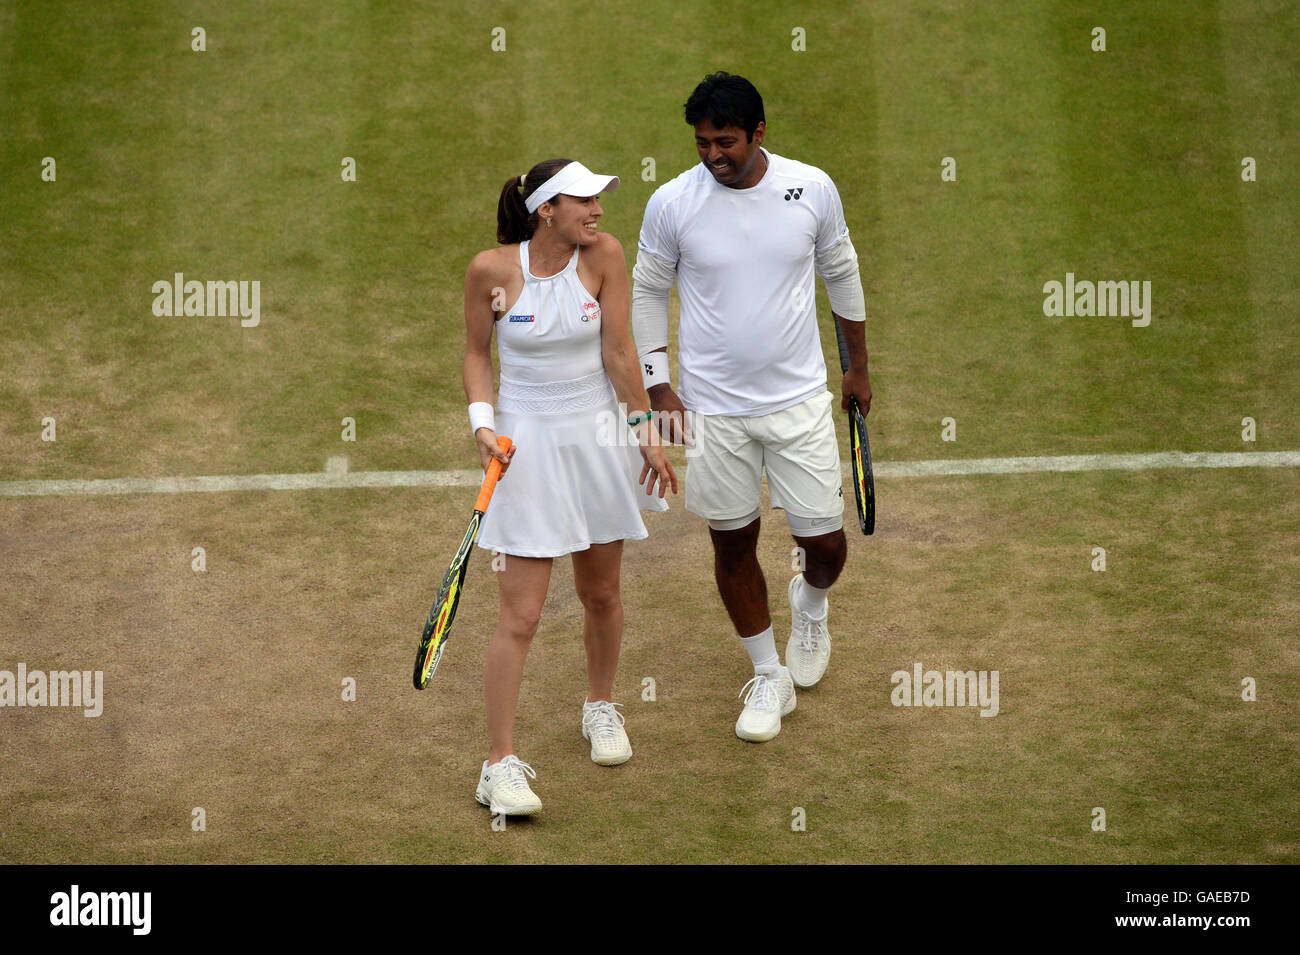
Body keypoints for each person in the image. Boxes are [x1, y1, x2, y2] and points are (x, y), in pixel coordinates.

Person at [631, 72, 872, 742]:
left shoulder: (812, 188)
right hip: (713, 410)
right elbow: (648, 290)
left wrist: (856, 367)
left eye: (726, 142)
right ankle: (768, 673)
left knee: (822, 541)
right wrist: (659, 387)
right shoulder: (673, 203)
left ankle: (812, 603)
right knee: (731, 540)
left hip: (798, 401)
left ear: (760, 133)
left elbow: (841, 269)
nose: (713, 156)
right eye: (704, 143)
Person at [463, 158, 677, 815]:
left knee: (602, 591)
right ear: (547, 210)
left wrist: (646, 430)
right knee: (521, 614)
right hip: (526, 446)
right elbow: (477, 354)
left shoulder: (603, 256)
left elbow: (618, 352)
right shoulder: (492, 272)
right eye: (584, 199)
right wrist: (483, 425)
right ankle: (497, 765)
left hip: (595, 439)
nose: (598, 210)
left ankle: (601, 706)